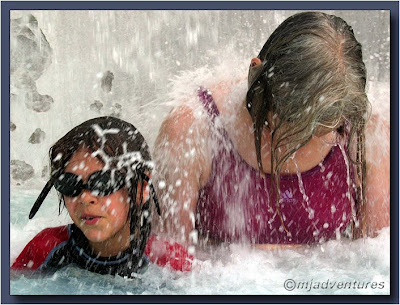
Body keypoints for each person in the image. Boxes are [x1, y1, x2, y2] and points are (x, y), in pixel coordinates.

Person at [153, 11, 390, 248]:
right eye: (290, 122)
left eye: (320, 129)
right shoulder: (193, 128)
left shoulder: (367, 133)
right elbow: (170, 264)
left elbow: (375, 262)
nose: (298, 142)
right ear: (255, 74)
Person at [12, 116, 192, 277]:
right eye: (69, 183)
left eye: (102, 183)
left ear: (141, 188)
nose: (85, 198)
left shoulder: (169, 262)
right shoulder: (45, 248)